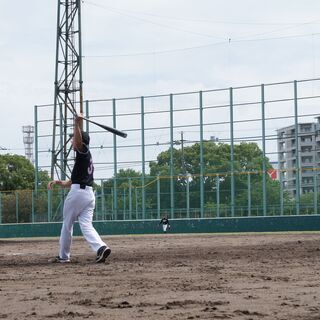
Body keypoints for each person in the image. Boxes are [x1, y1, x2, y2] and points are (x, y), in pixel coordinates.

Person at [48, 113, 111, 263]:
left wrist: (76, 123)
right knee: (86, 225)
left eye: (73, 138)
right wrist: (58, 182)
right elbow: (72, 181)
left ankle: (63, 257)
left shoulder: (83, 151)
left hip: (78, 194)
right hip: (88, 195)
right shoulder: (86, 157)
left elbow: (78, 142)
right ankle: (101, 248)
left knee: (67, 225)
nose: (71, 140)